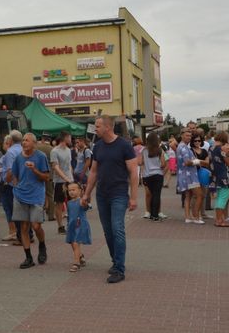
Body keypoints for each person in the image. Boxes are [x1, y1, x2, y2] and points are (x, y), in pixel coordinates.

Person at [83, 115, 138, 284]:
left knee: (117, 229)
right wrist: (86, 193)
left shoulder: (124, 146)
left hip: (119, 194)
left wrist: (134, 197)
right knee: (108, 231)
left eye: (98, 126)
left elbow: (133, 173)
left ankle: (119, 269)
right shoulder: (98, 146)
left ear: (107, 127)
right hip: (102, 194)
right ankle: (116, 262)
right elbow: (93, 172)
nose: (95, 129)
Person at [8, 133, 50, 269]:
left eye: (27, 140)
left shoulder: (40, 157)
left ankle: (42, 244)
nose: (24, 142)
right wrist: (13, 180)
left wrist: (34, 169)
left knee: (36, 226)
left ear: (34, 143)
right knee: (24, 227)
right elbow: (13, 175)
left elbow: (46, 177)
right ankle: (28, 257)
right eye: (23, 140)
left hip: (36, 195)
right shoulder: (19, 158)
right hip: (20, 195)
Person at [176, 128, 205, 224]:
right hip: (190, 177)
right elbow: (187, 162)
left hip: (183, 175)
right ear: (182, 135)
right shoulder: (183, 147)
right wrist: (198, 161)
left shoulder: (181, 146)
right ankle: (196, 217)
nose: (189, 137)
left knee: (188, 196)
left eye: (190, 136)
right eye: (187, 135)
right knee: (199, 195)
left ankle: (188, 217)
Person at [0, 134, 18, 241]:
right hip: (12, 184)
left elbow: (8, 169)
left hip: (8, 184)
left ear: (8, 143)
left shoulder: (9, 154)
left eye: (4, 142)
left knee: (9, 208)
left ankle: (13, 232)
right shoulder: (14, 153)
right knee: (11, 208)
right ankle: (15, 231)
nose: (3, 144)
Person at [65, 182, 91, 272]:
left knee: (76, 243)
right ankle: (80, 256)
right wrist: (68, 224)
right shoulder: (68, 203)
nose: (71, 192)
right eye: (69, 190)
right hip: (72, 225)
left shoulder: (81, 201)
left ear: (80, 191)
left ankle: (76, 263)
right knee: (72, 243)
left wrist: (85, 203)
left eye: (73, 190)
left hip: (80, 225)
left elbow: (87, 207)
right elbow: (69, 215)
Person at [51, 131, 74, 234]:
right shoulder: (55, 151)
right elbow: (55, 167)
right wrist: (65, 178)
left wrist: (71, 178)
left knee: (72, 203)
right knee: (59, 204)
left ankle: (72, 224)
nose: (71, 139)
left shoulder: (69, 150)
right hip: (59, 182)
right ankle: (60, 226)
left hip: (70, 180)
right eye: (69, 137)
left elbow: (69, 165)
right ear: (65, 138)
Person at [139, 133, 166, 221]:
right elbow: (163, 164)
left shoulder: (144, 150)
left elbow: (140, 162)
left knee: (150, 194)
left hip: (147, 175)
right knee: (156, 194)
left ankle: (150, 212)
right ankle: (155, 214)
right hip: (158, 174)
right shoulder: (160, 150)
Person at [209, 132, 229, 227]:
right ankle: (219, 220)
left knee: (219, 198)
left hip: (217, 176)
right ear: (224, 138)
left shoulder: (212, 148)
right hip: (225, 176)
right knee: (223, 199)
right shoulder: (222, 149)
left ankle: (219, 219)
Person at [191, 133, 212, 219]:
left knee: (204, 194)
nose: (197, 142)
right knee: (195, 195)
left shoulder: (204, 151)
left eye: (199, 140)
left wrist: (198, 160)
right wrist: (202, 161)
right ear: (192, 141)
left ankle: (203, 213)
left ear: (201, 141)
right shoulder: (190, 150)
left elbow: (207, 163)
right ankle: (194, 214)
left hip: (203, 174)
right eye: (195, 140)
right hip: (194, 174)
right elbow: (191, 162)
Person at [36, 133, 54, 221]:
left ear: (42, 139)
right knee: (50, 194)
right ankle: (51, 215)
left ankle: (39, 216)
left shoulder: (36, 147)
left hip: (37, 174)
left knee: (39, 194)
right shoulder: (52, 149)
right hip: (49, 174)